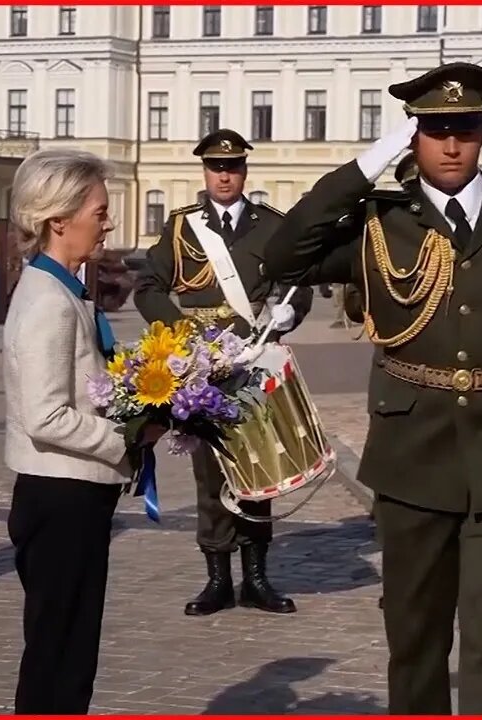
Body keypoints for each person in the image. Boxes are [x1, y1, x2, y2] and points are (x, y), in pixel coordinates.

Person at [262, 62, 482, 715]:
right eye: (435, 130)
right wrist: (362, 169)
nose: (451, 145)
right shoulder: (379, 221)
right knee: (414, 634)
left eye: (464, 129)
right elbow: (280, 257)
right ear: (414, 137)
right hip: (412, 450)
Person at [3, 148, 164, 715]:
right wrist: (127, 438)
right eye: (99, 211)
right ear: (58, 219)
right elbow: (44, 416)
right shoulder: (48, 301)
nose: (109, 222)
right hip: (60, 496)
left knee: (68, 652)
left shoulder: (65, 290)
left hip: (73, 494)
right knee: (58, 657)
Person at [133, 128, 314, 617]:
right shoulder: (181, 228)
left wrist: (287, 316)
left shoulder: (272, 226)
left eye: (233, 168)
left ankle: (257, 578)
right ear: (205, 172)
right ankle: (217, 580)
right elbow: (147, 285)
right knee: (210, 473)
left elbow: (299, 284)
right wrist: (179, 331)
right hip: (202, 369)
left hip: (253, 362)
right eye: (216, 167)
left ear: (244, 172)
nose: (225, 175)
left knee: (259, 464)